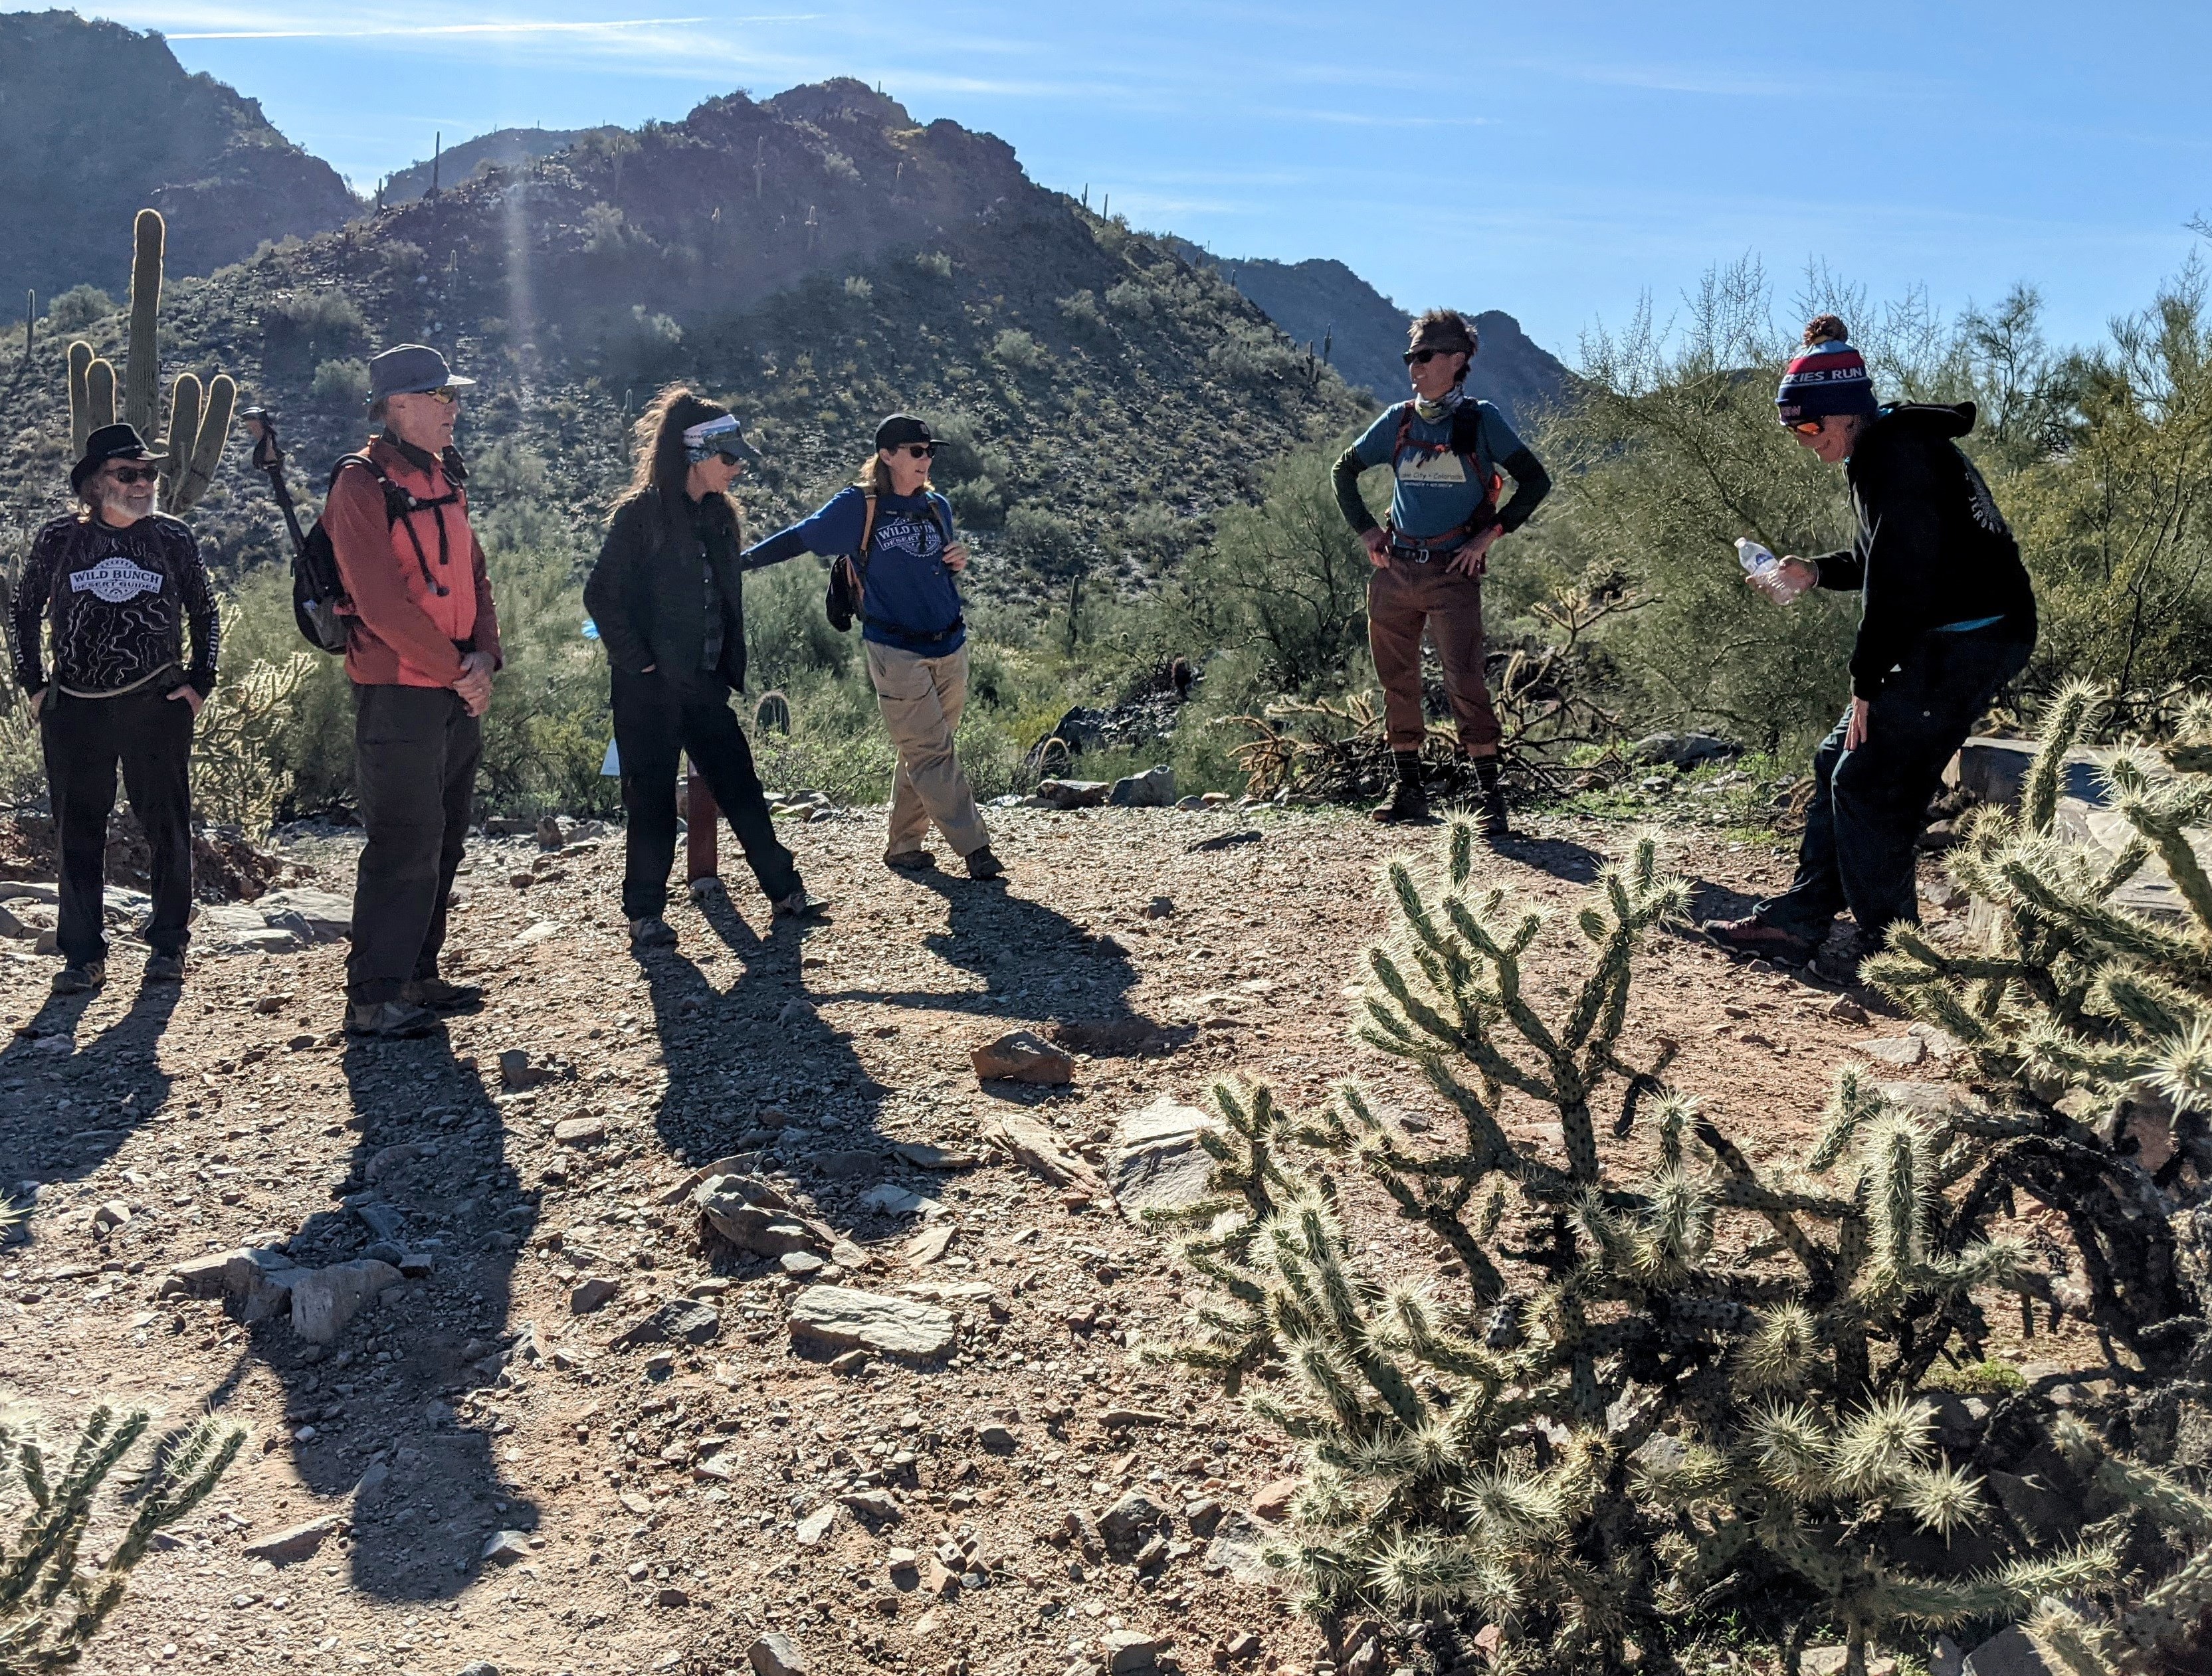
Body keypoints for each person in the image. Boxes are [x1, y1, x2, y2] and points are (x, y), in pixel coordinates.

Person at [1706, 316, 2037, 982]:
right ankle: (1797, 921)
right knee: (1839, 755)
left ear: (1840, 412)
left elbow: (1899, 584)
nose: (1804, 442)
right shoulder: (1884, 449)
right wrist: (1813, 571)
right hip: (1953, 634)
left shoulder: (1895, 455)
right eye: (1793, 431)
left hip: (1970, 639)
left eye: (1805, 428)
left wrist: (1865, 684)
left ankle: (1898, 955)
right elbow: (1875, 555)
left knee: (1866, 780)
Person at [583, 386, 822, 949]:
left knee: (740, 785)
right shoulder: (640, 516)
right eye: (729, 457)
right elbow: (601, 596)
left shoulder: (719, 516)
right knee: (651, 801)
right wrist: (639, 663)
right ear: (696, 454)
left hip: (705, 684)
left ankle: (785, 890)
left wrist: (721, 669)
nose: (738, 469)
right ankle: (645, 914)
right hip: (649, 689)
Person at [324, 344, 501, 1038]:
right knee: (404, 838)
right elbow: (380, 604)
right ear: (398, 406)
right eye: (440, 397)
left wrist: (485, 655)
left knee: (446, 834)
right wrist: (460, 669)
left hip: (454, 688)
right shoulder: (360, 485)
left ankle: (419, 976)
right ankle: (373, 996)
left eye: (451, 396)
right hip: (399, 691)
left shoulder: (441, 478)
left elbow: (475, 575)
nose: (452, 408)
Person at [743, 414, 1003, 879]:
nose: (927, 460)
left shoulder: (935, 506)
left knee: (925, 747)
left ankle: (904, 846)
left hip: (950, 642)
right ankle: (974, 848)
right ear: (887, 456)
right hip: (896, 650)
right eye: (917, 451)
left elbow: (938, 566)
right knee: (930, 751)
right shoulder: (858, 506)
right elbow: (801, 537)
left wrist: (957, 560)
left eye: (930, 452)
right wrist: (740, 562)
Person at [9, 422, 217, 994]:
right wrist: (33, 685)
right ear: (95, 486)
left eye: (148, 473)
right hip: (75, 706)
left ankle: (169, 945)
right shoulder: (59, 540)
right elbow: (23, 612)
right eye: (127, 474)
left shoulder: (173, 538)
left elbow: (205, 613)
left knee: (167, 827)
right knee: (77, 830)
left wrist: (201, 681)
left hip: (157, 702)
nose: (142, 483)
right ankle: (82, 956)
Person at [1332, 309, 1551, 832]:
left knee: (1464, 679)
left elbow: (1535, 482)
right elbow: (1344, 470)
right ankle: (1409, 789)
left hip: (1453, 573)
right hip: (1395, 569)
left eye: (1425, 357)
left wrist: (1488, 535)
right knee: (1396, 680)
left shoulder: (1482, 421)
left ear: (1457, 361)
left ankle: (1488, 798)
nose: (1415, 367)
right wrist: (1367, 532)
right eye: (1411, 356)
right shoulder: (1398, 420)